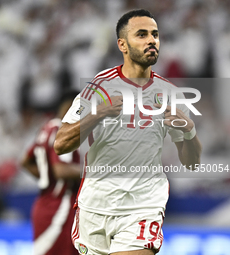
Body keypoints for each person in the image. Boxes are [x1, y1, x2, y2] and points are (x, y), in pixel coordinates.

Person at [54, 9, 202, 255]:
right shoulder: (98, 88)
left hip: (144, 206)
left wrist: (189, 129)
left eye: (154, 34)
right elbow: (61, 144)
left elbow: (192, 163)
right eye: (141, 35)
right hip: (95, 207)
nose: (151, 40)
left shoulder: (170, 94)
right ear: (122, 44)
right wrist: (99, 112)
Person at [21, 91, 81, 255]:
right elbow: (61, 170)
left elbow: (26, 162)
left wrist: (48, 179)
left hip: (45, 204)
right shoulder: (62, 130)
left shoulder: (47, 127)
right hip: (60, 207)